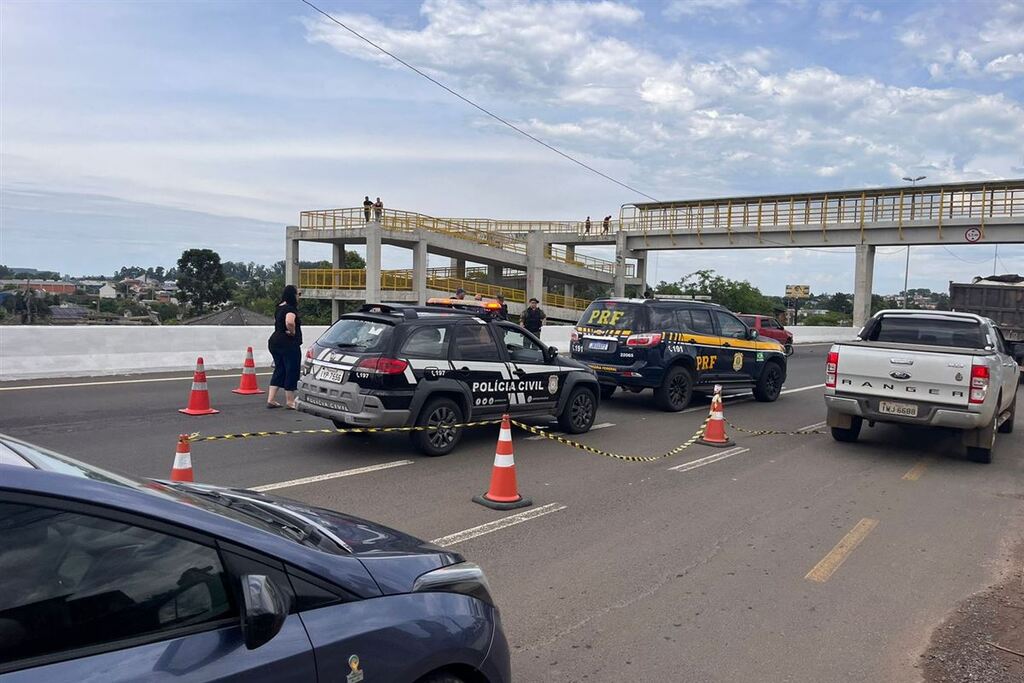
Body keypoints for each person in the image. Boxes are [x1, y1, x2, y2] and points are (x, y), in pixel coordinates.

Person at [267, 285, 303, 409]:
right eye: (298, 294)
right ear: (292, 295)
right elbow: (289, 322)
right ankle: (290, 401)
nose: (299, 297)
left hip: (275, 341)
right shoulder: (290, 309)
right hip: (288, 343)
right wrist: (292, 333)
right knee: (291, 370)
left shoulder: (279, 307)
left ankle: (271, 399)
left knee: (280, 369)